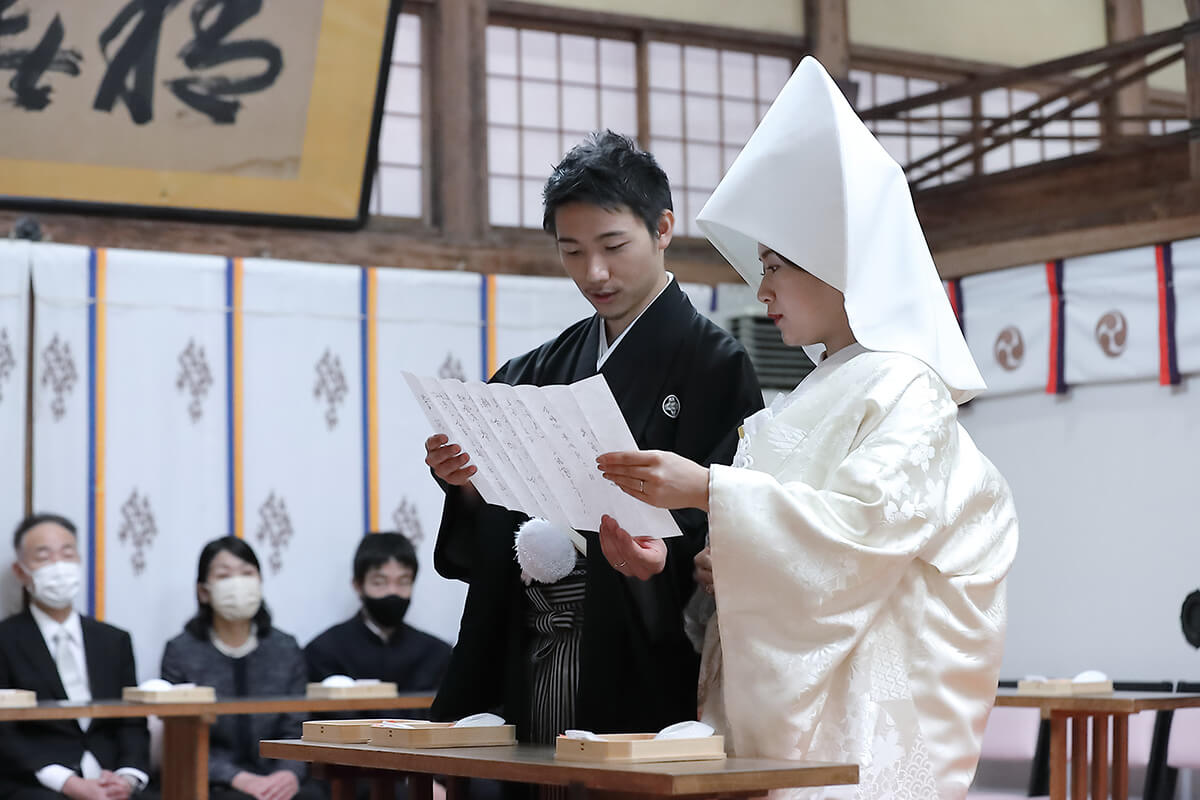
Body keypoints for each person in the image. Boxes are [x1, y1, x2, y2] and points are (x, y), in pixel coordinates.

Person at [596, 58, 1019, 799]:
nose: (761, 291)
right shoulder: (810, 395)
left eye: (775, 266)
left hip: (866, 725)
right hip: (792, 715)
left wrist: (707, 490)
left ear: (841, 263)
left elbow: (861, 532)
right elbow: (792, 555)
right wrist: (692, 566)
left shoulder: (906, 386)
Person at [424, 130, 763, 744]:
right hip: (531, 643)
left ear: (663, 229)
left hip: (638, 642)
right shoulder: (535, 370)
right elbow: (493, 522)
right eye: (572, 251)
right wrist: (466, 484)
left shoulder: (716, 363)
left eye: (613, 246)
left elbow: (732, 507)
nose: (594, 272)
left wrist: (668, 557)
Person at [0, 513, 154, 800]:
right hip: (37, 783)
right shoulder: (6, 640)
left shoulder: (114, 640)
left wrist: (127, 778)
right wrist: (69, 783)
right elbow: (5, 732)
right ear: (21, 572)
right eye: (43, 556)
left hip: (113, 778)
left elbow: (132, 721)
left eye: (67, 553)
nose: (59, 566)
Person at [161, 537, 323, 800]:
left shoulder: (285, 648)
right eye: (224, 576)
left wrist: (289, 773)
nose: (238, 584)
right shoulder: (181, 651)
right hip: (216, 782)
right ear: (204, 591)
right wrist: (238, 778)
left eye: (247, 574)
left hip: (280, 777)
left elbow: (299, 727)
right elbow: (181, 739)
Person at [306, 532, 451, 698]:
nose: (393, 591)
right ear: (358, 585)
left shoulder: (435, 654)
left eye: (403, 582)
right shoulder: (325, 652)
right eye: (379, 582)